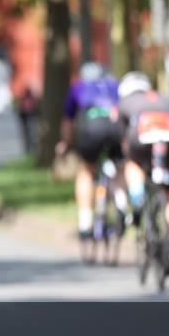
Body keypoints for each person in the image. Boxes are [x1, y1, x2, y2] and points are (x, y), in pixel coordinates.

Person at [116, 71, 169, 273]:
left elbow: (122, 138)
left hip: (142, 134)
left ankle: (137, 200)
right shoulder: (163, 98)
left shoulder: (125, 102)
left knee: (132, 164)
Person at [55, 62, 122, 241]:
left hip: (91, 130)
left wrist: (65, 143)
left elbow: (68, 121)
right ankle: (122, 205)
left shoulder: (78, 87)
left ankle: (85, 224)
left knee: (86, 169)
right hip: (115, 128)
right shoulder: (114, 85)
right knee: (120, 167)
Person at [17, 86, 39, 154]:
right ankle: (28, 149)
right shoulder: (26, 98)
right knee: (28, 134)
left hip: (30, 117)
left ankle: (31, 148)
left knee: (31, 133)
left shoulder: (28, 98)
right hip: (26, 117)